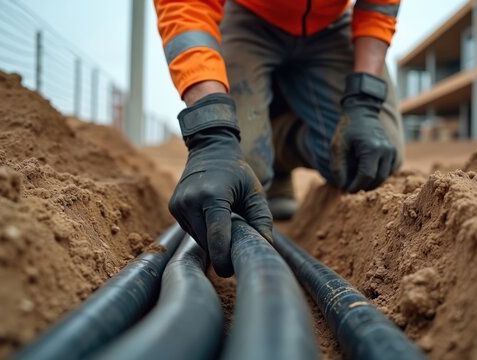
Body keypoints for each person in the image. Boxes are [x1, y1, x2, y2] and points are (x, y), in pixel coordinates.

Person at [155, 0, 404, 277]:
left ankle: (279, 145)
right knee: (238, 179)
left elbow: (380, 6)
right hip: (249, 17)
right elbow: (186, 6)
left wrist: (364, 102)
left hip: (330, 24)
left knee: (366, 156)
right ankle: (261, 143)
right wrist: (212, 134)